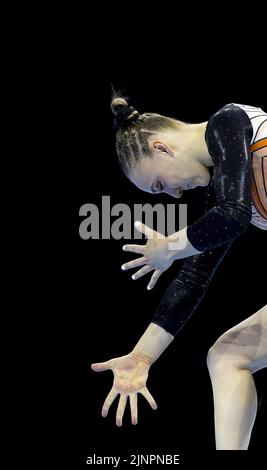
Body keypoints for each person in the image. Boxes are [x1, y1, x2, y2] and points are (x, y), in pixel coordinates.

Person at [91, 96, 267, 450]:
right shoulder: (224, 188)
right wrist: (142, 357)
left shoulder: (229, 121)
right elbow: (194, 277)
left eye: (159, 184)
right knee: (227, 356)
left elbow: (233, 216)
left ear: (162, 147)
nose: (173, 195)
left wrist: (169, 246)